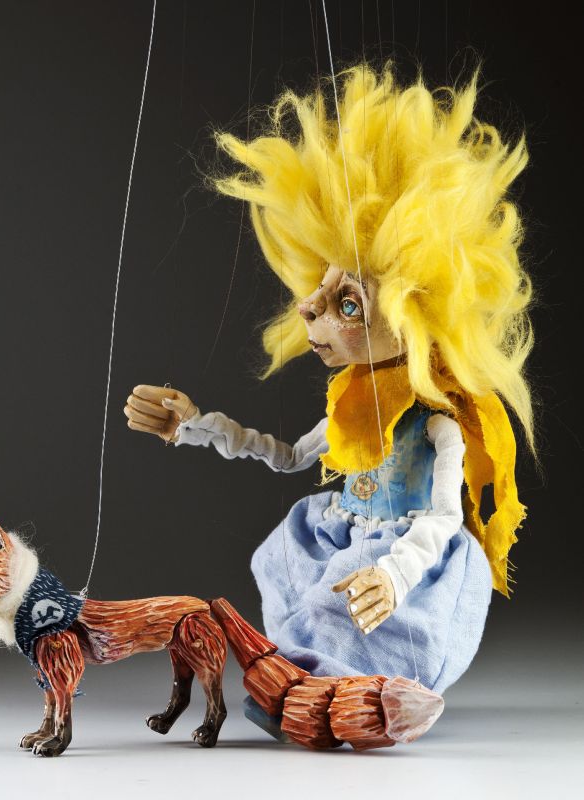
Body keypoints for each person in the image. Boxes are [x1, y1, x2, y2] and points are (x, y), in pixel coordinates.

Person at [124, 65, 533, 703]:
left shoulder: (436, 424)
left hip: (399, 561)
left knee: (349, 605)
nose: (308, 308)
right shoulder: (353, 407)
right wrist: (197, 426)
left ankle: (359, 694)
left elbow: (444, 517)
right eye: (320, 287)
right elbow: (288, 456)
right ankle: (304, 684)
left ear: (416, 314)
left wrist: (396, 576)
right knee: (287, 567)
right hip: (341, 536)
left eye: (348, 303)